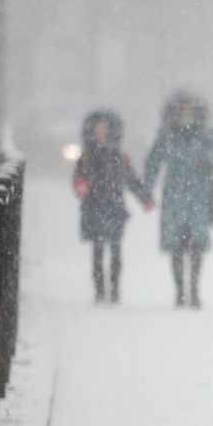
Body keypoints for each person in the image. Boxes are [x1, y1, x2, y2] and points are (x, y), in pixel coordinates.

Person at [143, 91, 213, 308]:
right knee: (177, 246)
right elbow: (153, 162)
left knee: (197, 245)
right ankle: (180, 290)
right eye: (182, 110)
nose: (186, 115)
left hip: (199, 195)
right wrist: (147, 190)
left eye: (190, 110)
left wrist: (208, 159)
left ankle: (195, 290)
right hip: (174, 197)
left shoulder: (207, 134)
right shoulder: (167, 135)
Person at [72, 109, 154, 304]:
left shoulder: (120, 157)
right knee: (98, 251)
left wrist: (145, 199)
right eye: (97, 130)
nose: (100, 134)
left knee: (116, 251)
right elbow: (77, 180)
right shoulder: (86, 157)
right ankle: (100, 290)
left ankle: (115, 288)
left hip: (115, 210)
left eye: (104, 130)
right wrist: (81, 186)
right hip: (93, 208)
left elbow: (132, 180)